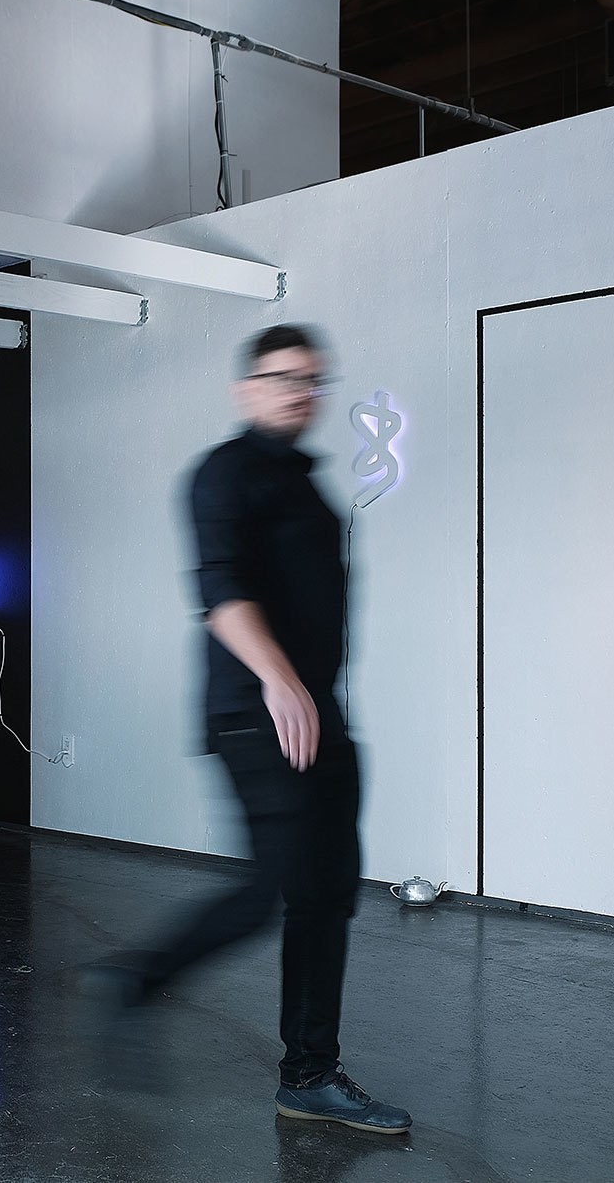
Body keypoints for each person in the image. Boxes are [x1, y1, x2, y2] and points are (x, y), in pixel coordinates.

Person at [89, 324, 411, 1135]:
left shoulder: (309, 485)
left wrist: (315, 696)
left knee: (327, 893)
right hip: (256, 714)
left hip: (318, 715)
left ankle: (309, 1073)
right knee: (272, 886)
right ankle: (135, 980)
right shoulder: (222, 475)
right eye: (283, 376)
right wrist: (278, 679)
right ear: (247, 389)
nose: (300, 390)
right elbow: (221, 591)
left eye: (312, 378)